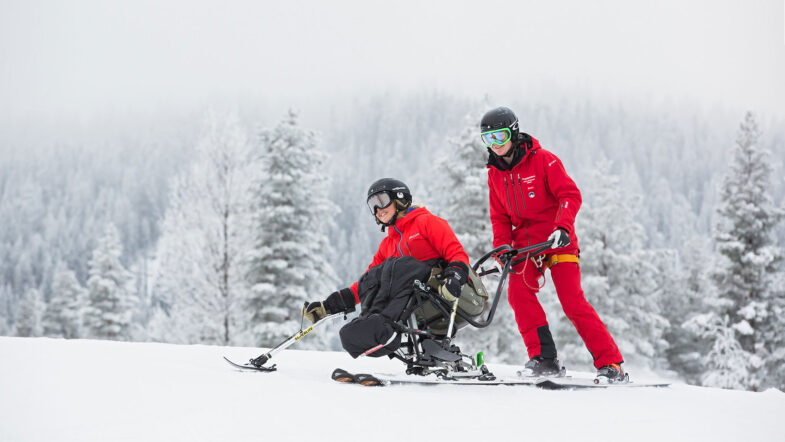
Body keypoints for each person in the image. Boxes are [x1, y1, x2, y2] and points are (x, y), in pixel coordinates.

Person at [479, 106, 625, 381]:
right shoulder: (495, 174)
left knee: (572, 301)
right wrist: (502, 247)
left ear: (513, 132)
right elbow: (499, 217)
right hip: (525, 247)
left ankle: (611, 364)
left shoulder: (544, 161)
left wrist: (563, 227)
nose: (495, 145)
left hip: (557, 241)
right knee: (518, 294)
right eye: (488, 140)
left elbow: (570, 195)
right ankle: (544, 359)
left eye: (499, 137)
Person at [302, 178, 472, 358]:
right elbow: (368, 281)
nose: (377, 210)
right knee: (374, 281)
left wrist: (455, 277)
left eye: (381, 201)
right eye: (372, 205)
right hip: (409, 301)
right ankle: (373, 323)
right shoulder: (387, 245)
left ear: (400, 198)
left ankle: (387, 327)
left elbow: (456, 253)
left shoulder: (427, 222)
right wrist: (329, 305)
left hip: (438, 293)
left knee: (398, 266)